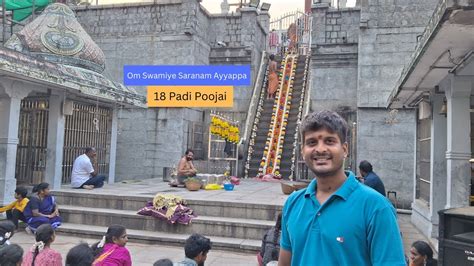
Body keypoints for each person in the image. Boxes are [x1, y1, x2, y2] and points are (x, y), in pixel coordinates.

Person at [278, 110, 405, 266]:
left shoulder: (376, 207)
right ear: (303, 151)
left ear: (344, 149)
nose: (320, 149)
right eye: (311, 142)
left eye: (329, 141)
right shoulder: (293, 203)